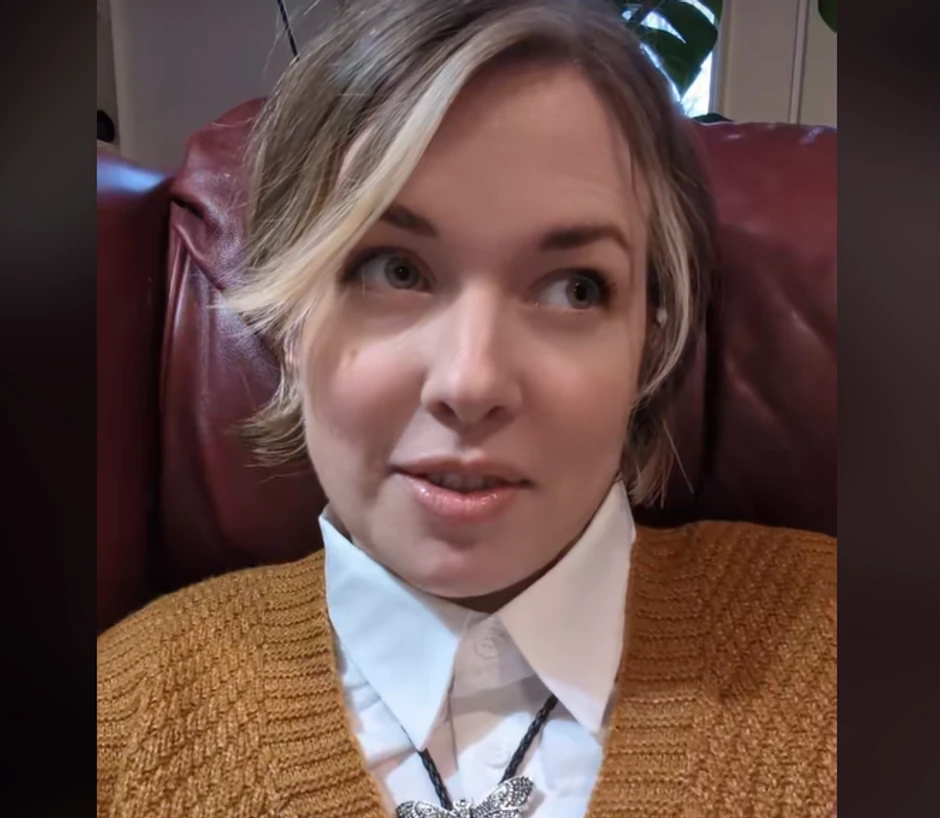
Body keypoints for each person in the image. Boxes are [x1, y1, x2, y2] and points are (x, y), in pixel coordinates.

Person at [96, 1, 836, 816]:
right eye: (393, 270)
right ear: (292, 320)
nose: (472, 382)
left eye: (574, 288)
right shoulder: (121, 725)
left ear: (648, 343)